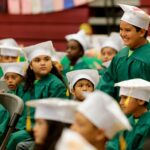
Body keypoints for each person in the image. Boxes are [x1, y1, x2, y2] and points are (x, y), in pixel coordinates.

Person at [6, 41, 67, 150]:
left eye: (47, 59)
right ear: (31, 66)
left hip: (39, 129)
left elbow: (55, 117)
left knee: (15, 138)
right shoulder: (24, 84)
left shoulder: (56, 85)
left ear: (51, 63)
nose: (43, 63)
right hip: (20, 126)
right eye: (37, 60)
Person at [97, 4, 150, 101]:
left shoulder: (148, 57)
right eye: (121, 29)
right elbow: (107, 83)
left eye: (127, 30)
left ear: (142, 32)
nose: (122, 34)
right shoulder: (120, 55)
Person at [107, 78, 150, 150]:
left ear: (141, 100)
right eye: (120, 98)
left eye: (125, 98)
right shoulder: (125, 123)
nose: (121, 102)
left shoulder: (148, 125)